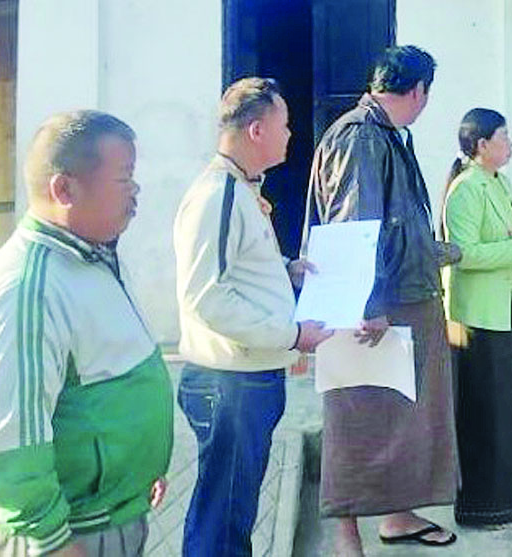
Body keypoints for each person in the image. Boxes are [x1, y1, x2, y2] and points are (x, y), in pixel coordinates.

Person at [0, 110, 172, 556]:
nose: (136, 190)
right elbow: (6, 450)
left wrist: (138, 472)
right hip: (68, 537)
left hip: (113, 516)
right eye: (124, 178)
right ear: (64, 189)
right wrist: (53, 541)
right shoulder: (28, 288)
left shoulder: (93, 258)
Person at [308, 45, 459, 555]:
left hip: (401, 296)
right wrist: (365, 303)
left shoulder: (387, 134)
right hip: (373, 306)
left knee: (404, 416)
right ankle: (346, 535)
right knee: (358, 415)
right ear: (418, 90)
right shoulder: (360, 136)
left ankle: (397, 515)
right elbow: (354, 221)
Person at [173, 77, 331, 556]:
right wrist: (292, 334)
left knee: (232, 511)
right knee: (223, 519)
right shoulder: (217, 194)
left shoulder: (240, 189)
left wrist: (287, 268)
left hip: (247, 379)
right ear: (257, 130)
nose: (291, 135)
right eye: (285, 125)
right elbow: (207, 296)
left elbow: (237, 265)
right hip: (229, 383)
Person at [442, 108, 512, 528]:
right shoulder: (466, 189)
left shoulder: (500, 182)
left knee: (508, 407)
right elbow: (463, 254)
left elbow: (508, 240)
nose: (510, 143)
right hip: (476, 316)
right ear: (482, 145)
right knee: (483, 411)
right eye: (504, 136)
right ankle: (482, 506)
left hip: (505, 303)